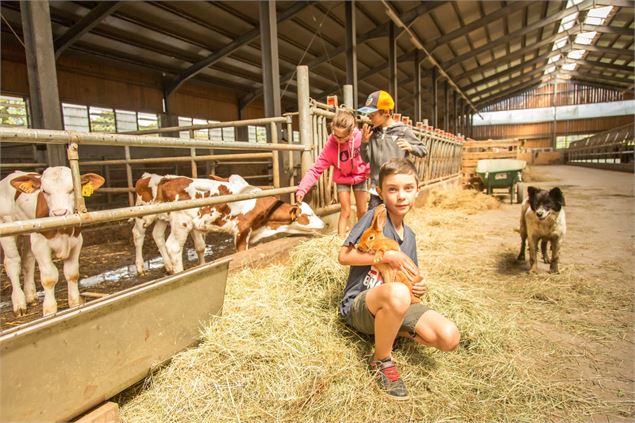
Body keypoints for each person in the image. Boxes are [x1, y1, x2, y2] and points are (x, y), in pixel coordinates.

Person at [338, 159, 460, 400]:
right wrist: (387, 257)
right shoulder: (375, 217)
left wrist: (419, 284)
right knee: (397, 294)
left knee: (449, 337)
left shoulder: (411, 236)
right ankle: (381, 361)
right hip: (361, 305)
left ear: (417, 191)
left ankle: (390, 330)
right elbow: (344, 256)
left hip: (397, 302)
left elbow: (409, 273)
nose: (401, 196)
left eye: (407, 188)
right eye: (392, 189)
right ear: (380, 191)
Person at [296, 109, 369, 236]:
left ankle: (362, 238)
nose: (336, 138)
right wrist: (302, 188)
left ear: (351, 132)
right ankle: (340, 243)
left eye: (341, 137)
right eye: (334, 134)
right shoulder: (331, 144)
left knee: (362, 211)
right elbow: (316, 169)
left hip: (359, 176)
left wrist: (368, 171)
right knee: (345, 210)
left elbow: (372, 156)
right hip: (342, 178)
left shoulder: (360, 138)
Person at [357, 90, 427, 209]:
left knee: (393, 221)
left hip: (394, 187)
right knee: (374, 220)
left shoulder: (402, 131)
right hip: (377, 188)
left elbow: (423, 150)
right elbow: (366, 159)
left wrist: (411, 147)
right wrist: (364, 143)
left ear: (386, 112)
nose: (369, 118)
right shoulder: (373, 133)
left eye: (372, 115)